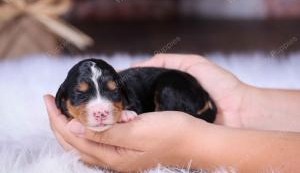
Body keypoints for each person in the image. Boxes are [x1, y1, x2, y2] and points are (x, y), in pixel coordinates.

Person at [44, 54, 300, 172]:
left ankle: (196, 117)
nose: (99, 109)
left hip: (177, 85)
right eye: (81, 95)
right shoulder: (69, 99)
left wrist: (192, 143)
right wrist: (243, 105)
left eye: (110, 93)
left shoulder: (129, 97)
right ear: (62, 99)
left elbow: (132, 104)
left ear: (121, 94)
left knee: (166, 89)